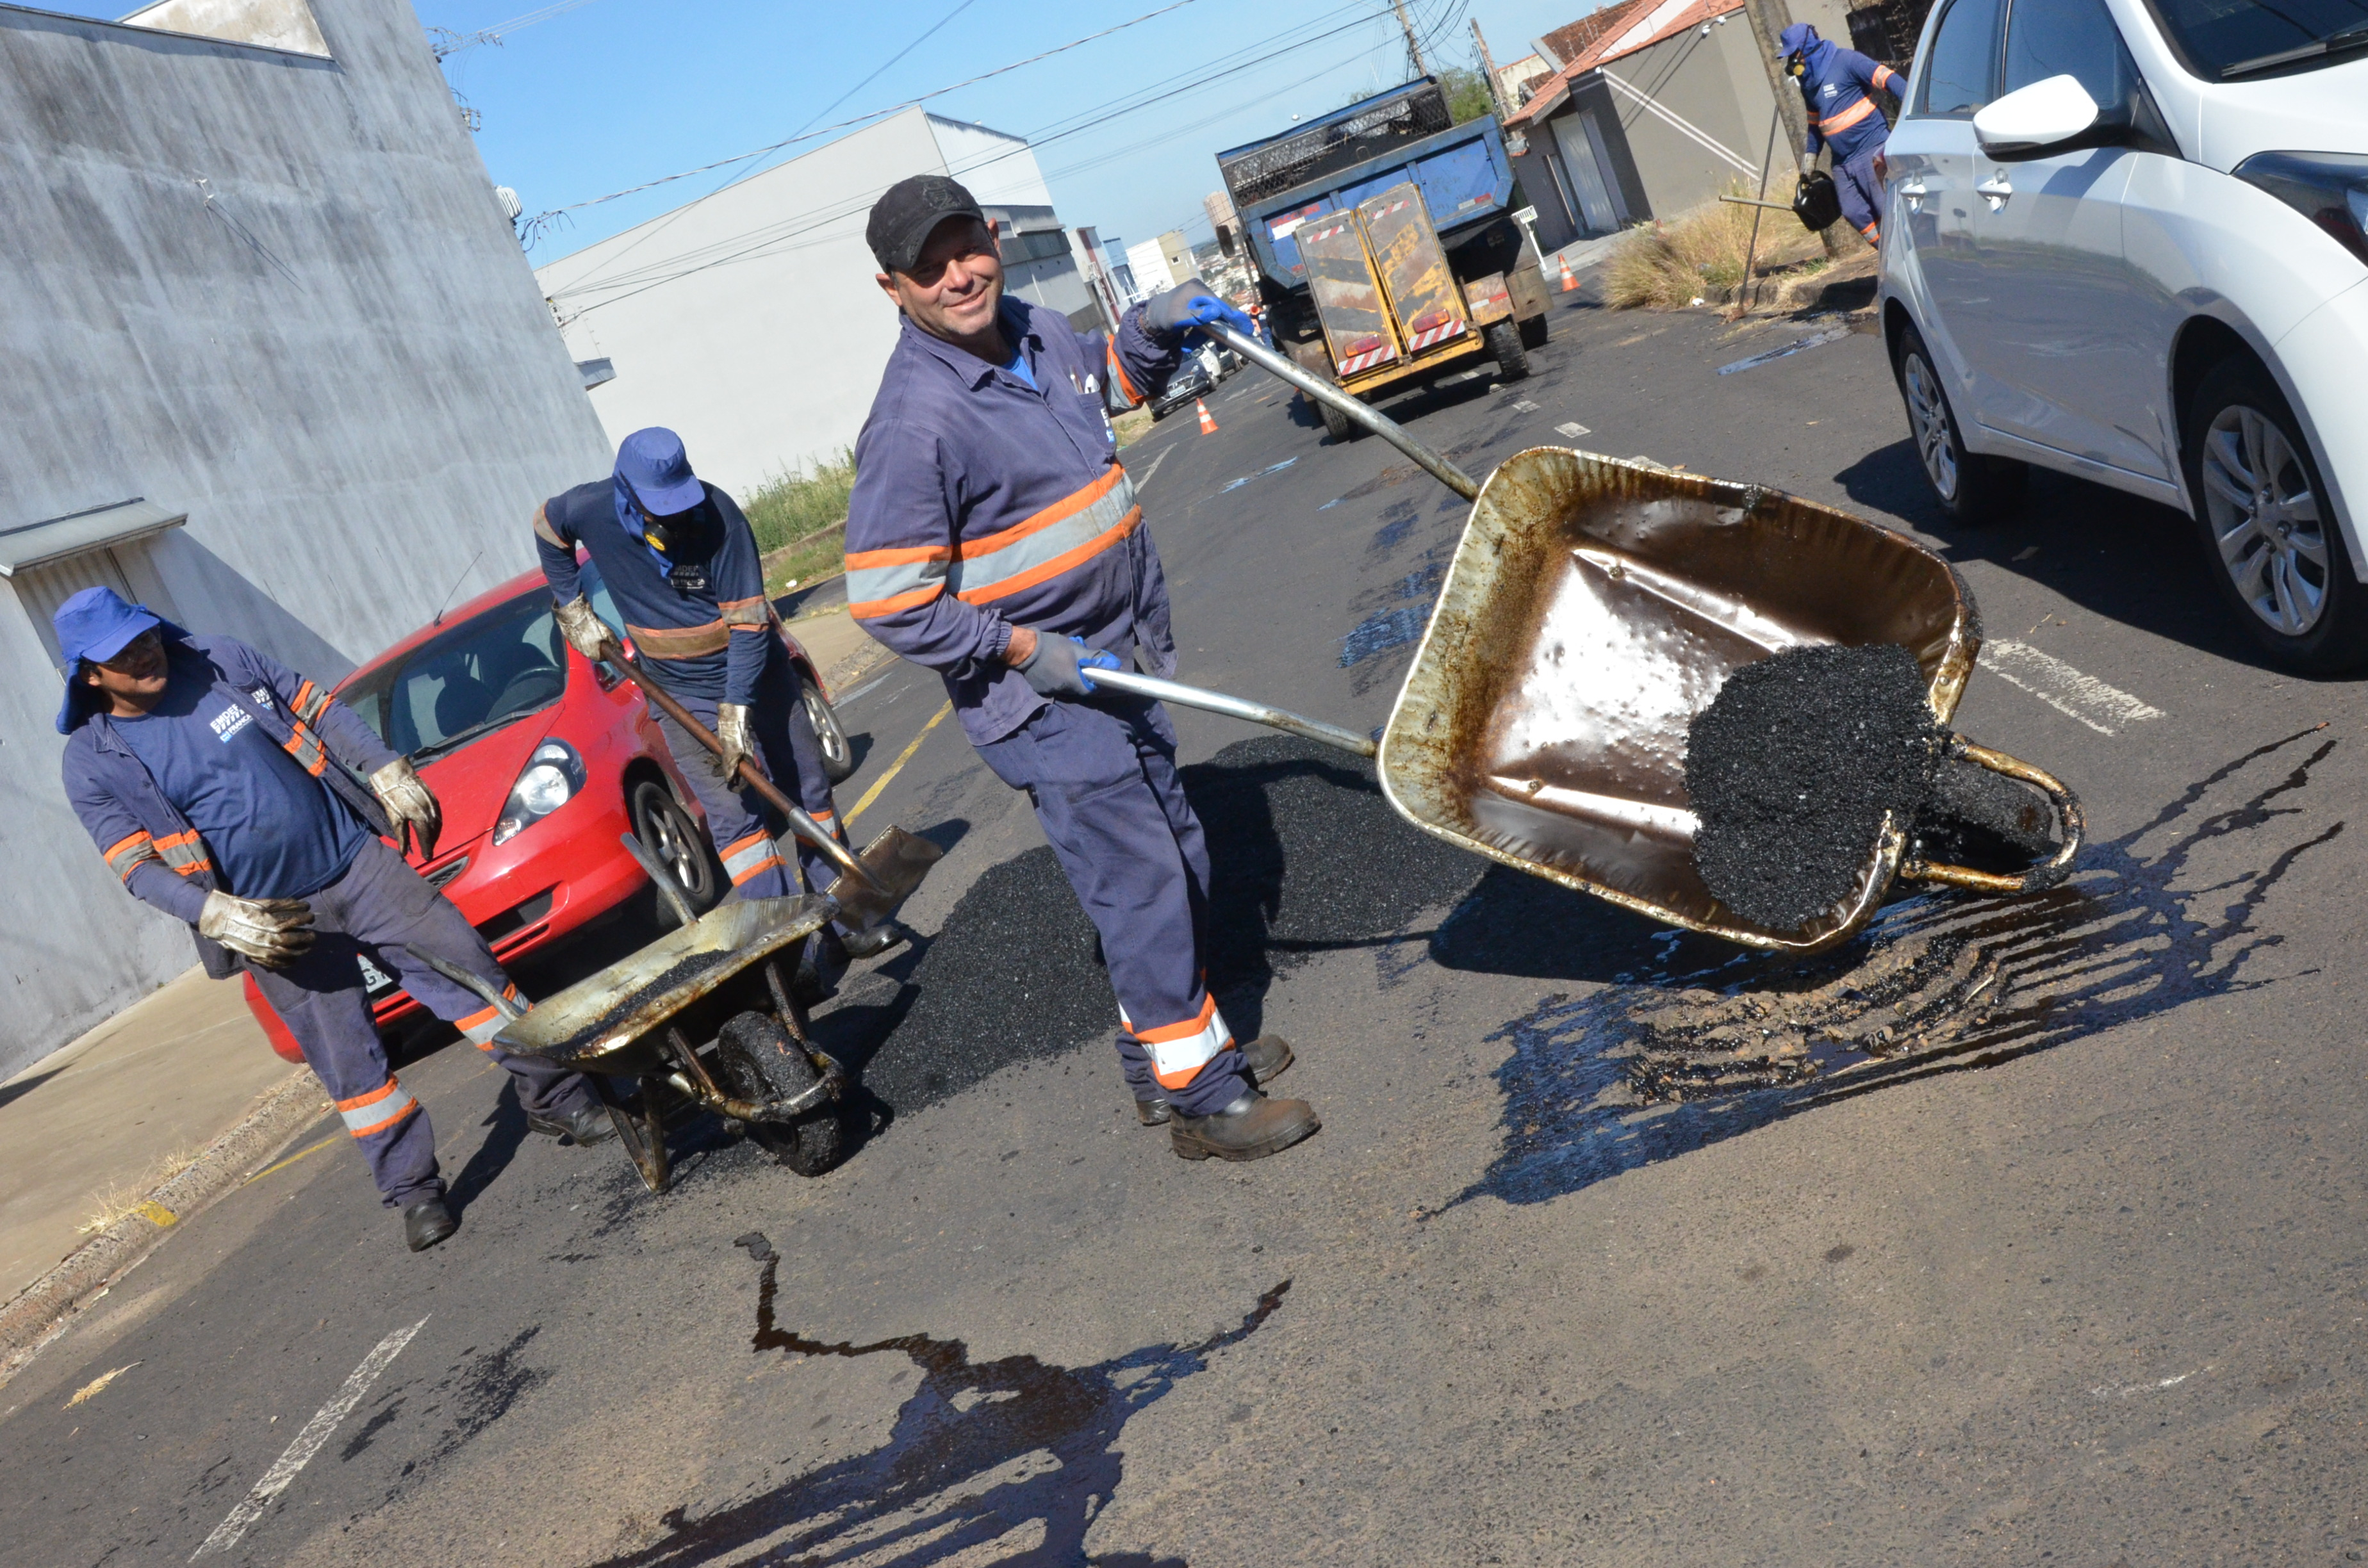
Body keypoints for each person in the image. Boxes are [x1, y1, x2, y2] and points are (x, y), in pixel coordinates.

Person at [844, 173, 1319, 1163]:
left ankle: (1163, 1061)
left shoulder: (1039, 333)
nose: (958, 276)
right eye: (929, 269)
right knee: (1144, 884)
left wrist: (1153, 325)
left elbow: (1112, 385)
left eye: (966, 248)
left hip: (1115, 664)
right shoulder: (915, 420)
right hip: (1043, 697)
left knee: (1177, 861)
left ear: (993, 238)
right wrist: (1021, 648)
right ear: (894, 290)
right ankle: (1205, 1102)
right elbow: (888, 600)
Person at [56, 587, 609, 1253]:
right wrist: (214, 914)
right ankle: (414, 1191)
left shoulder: (220, 661)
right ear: (90, 675)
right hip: (278, 926)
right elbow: (135, 866)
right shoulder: (92, 761)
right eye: (123, 654)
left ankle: (560, 1099)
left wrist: (385, 767)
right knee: (351, 1067)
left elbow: (319, 708)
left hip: (357, 866)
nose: (145, 654)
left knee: (477, 980)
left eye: (145, 636)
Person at [534, 430, 893, 991]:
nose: (677, 518)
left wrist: (738, 708)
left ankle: (847, 921)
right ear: (626, 493)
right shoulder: (591, 508)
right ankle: (791, 952)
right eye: (662, 510)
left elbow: (749, 627)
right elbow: (546, 525)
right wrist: (571, 604)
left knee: (809, 794)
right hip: (680, 697)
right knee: (737, 825)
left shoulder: (720, 517)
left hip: (760, 680)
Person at [1780, 22, 1903, 245]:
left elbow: (1890, 80)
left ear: (1807, 47)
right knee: (1852, 211)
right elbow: (1814, 125)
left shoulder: (1846, 60)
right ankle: (1888, 253)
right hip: (1842, 162)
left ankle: (1909, 256)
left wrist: (1913, 114)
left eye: (1793, 55)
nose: (1792, 62)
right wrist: (1810, 158)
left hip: (1871, 149)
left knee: (1887, 208)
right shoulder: (1808, 83)